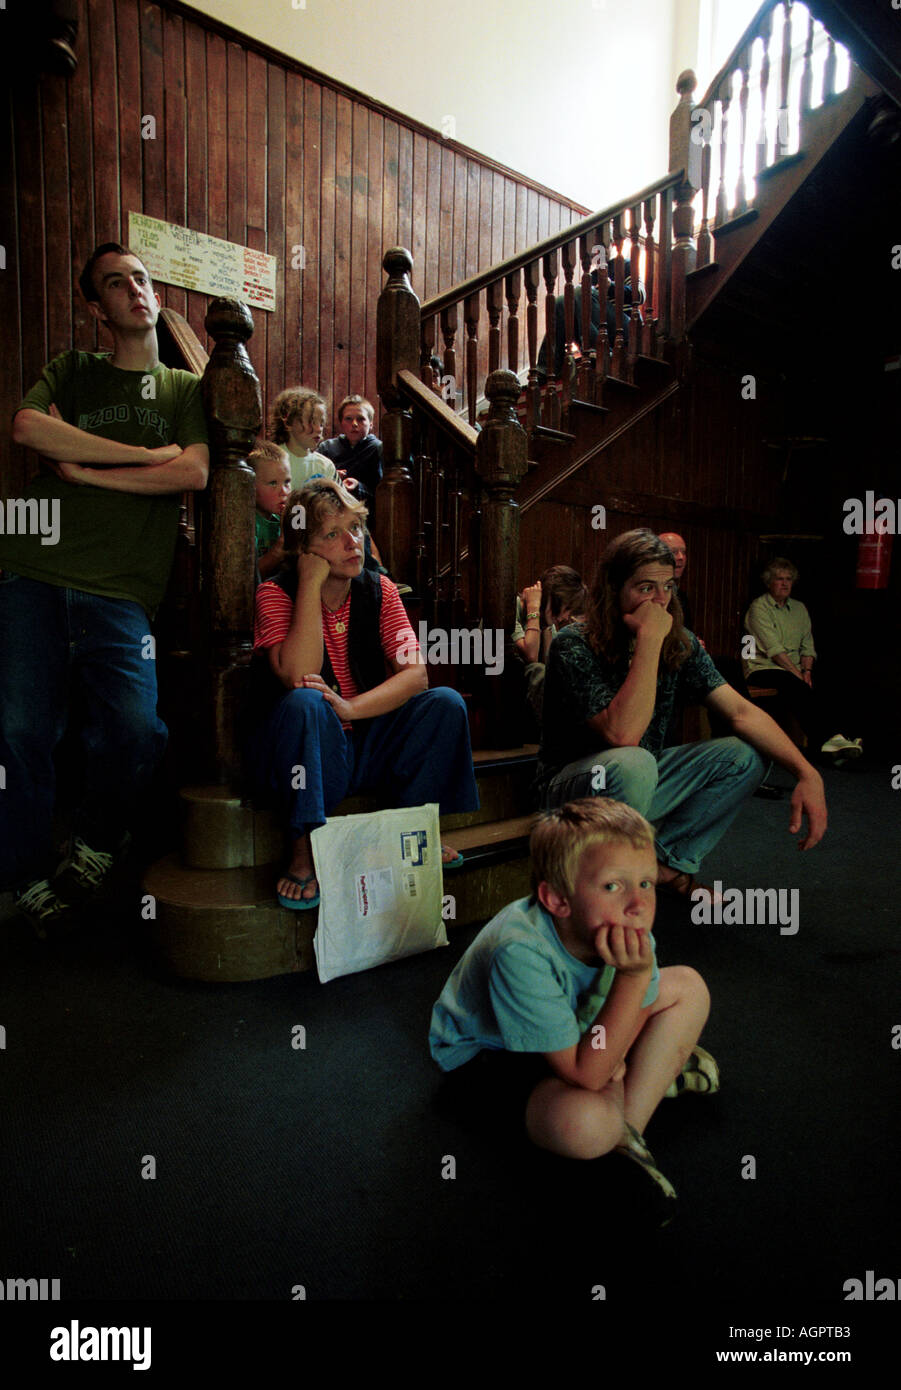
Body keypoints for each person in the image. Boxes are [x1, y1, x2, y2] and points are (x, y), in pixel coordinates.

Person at [1, 242, 210, 935]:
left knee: (135, 726)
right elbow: (28, 427)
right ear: (98, 308)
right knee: (19, 729)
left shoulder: (184, 391)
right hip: (29, 571)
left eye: (141, 278)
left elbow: (194, 475)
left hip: (121, 590)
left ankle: (95, 836)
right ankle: (21, 873)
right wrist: (145, 455)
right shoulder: (76, 371)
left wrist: (86, 470)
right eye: (115, 284)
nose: (134, 289)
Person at [430, 798, 716, 1214]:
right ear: (558, 900)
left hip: (581, 1038)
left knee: (690, 987)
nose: (639, 904)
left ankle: (625, 1139)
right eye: (613, 886)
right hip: (492, 1056)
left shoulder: (627, 928)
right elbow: (586, 1073)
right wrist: (631, 990)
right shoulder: (520, 950)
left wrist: (611, 1054)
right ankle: (643, 1087)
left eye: (646, 883)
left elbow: (617, 1032)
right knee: (582, 1124)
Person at [537, 530, 827, 897]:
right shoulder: (573, 644)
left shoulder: (679, 640)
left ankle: (666, 865)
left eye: (668, 587)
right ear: (613, 589)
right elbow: (622, 734)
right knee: (634, 762)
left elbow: (740, 711)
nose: (660, 602)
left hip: (640, 781)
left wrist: (807, 772)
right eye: (645, 588)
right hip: (571, 793)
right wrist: (649, 640)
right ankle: (611, 883)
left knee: (747, 755)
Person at [246, 478, 478, 908]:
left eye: (353, 528)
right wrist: (310, 586)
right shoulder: (275, 592)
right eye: (331, 535)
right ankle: (303, 855)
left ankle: (416, 833)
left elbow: (416, 676)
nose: (352, 543)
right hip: (312, 749)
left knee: (445, 703)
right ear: (304, 549)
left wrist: (350, 706)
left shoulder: (381, 589)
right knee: (305, 701)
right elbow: (298, 673)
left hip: (367, 741)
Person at [744, 558, 862, 762]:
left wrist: (806, 672)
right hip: (763, 668)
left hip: (794, 669)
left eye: (788, 579)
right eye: (779, 579)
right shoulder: (759, 607)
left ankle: (838, 740)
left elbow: (808, 646)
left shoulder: (800, 608)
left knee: (825, 681)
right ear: (769, 582)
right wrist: (798, 674)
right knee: (793, 684)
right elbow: (774, 650)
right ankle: (828, 739)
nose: (784, 583)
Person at [536, 259, 643, 383]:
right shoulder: (591, 276)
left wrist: (611, 287)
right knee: (560, 302)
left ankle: (597, 349)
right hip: (603, 332)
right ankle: (548, 367)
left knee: (582, 291)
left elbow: (640, 295)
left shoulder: (626, 264)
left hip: (626, 331)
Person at [513, 565, 587, 726]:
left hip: (532, 702)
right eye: (566, 608)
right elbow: (531, 655)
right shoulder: (513, 607)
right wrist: (534, 609)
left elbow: (550, 666)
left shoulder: (549, 624)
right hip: (506, 691)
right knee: (536, 670)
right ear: (550, 598)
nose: (566, 616)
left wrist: (546, 626)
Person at [318, 395, 383, 514]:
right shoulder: (326, 448)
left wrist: (359, 487)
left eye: (361, 419)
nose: (354, 424)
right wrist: (331, 476)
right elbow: (313, 482)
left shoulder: (378, 449)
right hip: (332, 512)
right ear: (341, 423)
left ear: (371, 424)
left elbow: (383, 491)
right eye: (348, 419)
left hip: (368, 514)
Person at [268, 387, 341, 491]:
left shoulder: (325, 466)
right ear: (288, 422)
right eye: (311, 421)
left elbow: (340, 503)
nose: (319, 429)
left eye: (321, 423)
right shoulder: (271, 461)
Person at [249, 441, 292, 580]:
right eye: (273, 483)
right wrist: (279, 548)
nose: (284, 491)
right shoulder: (248, 522)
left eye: (287, 482)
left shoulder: (294, 513)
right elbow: (249, 576)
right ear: (251, 486)